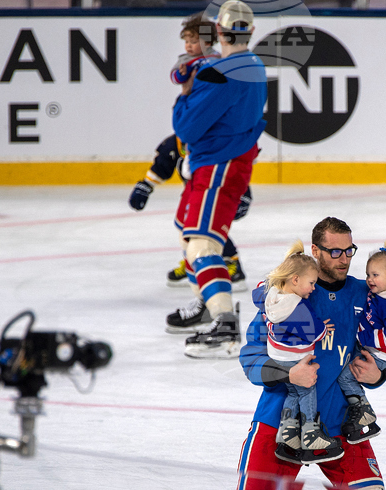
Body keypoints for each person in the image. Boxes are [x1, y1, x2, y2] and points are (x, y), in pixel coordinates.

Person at [187, 217, 386, 490]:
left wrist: (378, 372)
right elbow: (250, 357)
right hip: (279, 419)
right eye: (335, 251)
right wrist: (287, 375)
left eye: (350, 250)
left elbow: (376, 345)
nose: (344, 259)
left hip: (339, 422)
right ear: (315, 252)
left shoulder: (359, 294)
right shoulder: (284, 294)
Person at [166, 0, 267, 359]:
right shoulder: (254, 65)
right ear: (250, 31)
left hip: (218, 166)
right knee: (185, 228)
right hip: (223, 163)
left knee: (201, 245)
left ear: (219, 32)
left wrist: (184, 93)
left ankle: (224, 320)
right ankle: (207, 302)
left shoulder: (220, 72)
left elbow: (185, 127)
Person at [126, 14, 251, 294]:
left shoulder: (219, 65)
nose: (189, 45)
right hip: (195, 142)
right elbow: (177, 76)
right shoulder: (194, 64)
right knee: (187, 222)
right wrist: (146, 184)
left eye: (193, 40)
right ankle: (194, 262)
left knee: (204, 224)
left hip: (212, 150)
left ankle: (230, 264)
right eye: (186, 40)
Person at [259, 240, 341, 462]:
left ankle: (287, 434)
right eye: (311, 283)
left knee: (292, 393)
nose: (313, 288)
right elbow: (314, 333)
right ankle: (310, 432)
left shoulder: (273, 294)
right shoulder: (298, 307)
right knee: (306, 390)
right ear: (295, 280)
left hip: (278, 358)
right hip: (295, 360)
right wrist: (323, 328)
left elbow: (259, 289)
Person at [336, 240, 386, 444]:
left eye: (375, 275)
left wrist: (364, 337)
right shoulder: (380, 296)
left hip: (376, 356)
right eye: (368, 274)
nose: (369, 280)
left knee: (346, 378)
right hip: (369, 350)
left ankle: (364, 411)